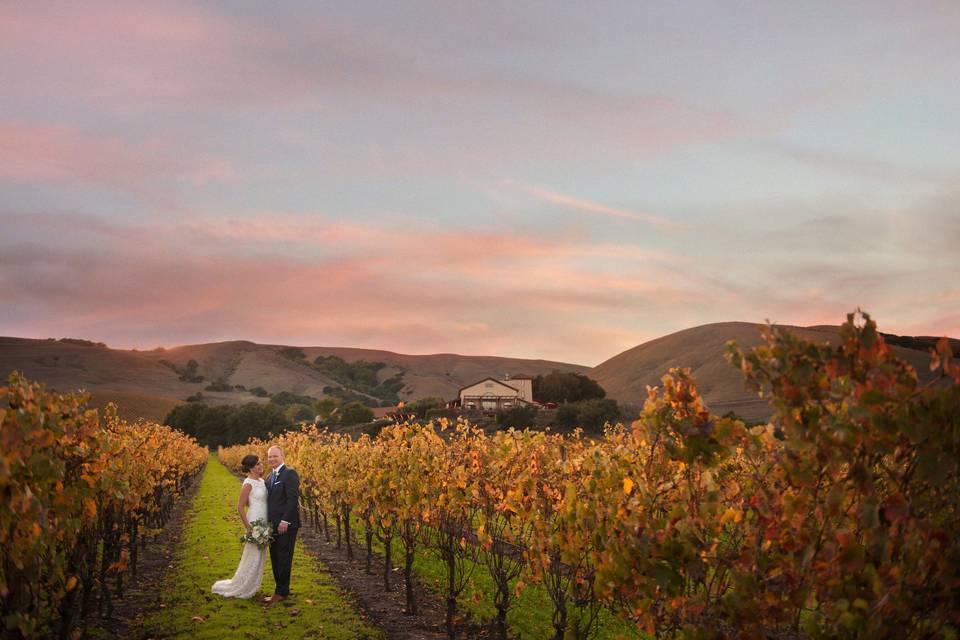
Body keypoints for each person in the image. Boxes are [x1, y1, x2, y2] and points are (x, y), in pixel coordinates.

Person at [212, 454, 267, 598]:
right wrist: (248, 527)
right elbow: (240, 507)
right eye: (257, 464)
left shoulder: (261, 480)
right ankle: (244, 585)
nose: (261, 465)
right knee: (253, 553)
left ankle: (253, 584)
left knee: (260, 554)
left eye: (260, 463)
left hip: (264, 519)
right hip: (255, 521)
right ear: (250, 468)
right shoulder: (248, 483)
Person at [263, 445, 300, 604]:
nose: (271, 459)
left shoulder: (289, 474)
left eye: (275, 456)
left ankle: (281, 592)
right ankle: (280, 589)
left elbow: (292, 499)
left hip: (286, 525)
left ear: (282, 456)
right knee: (275, 558)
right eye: (269, 456)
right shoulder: (269, 477)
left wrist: (285, 520)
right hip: (272, 525)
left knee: (284, 558)